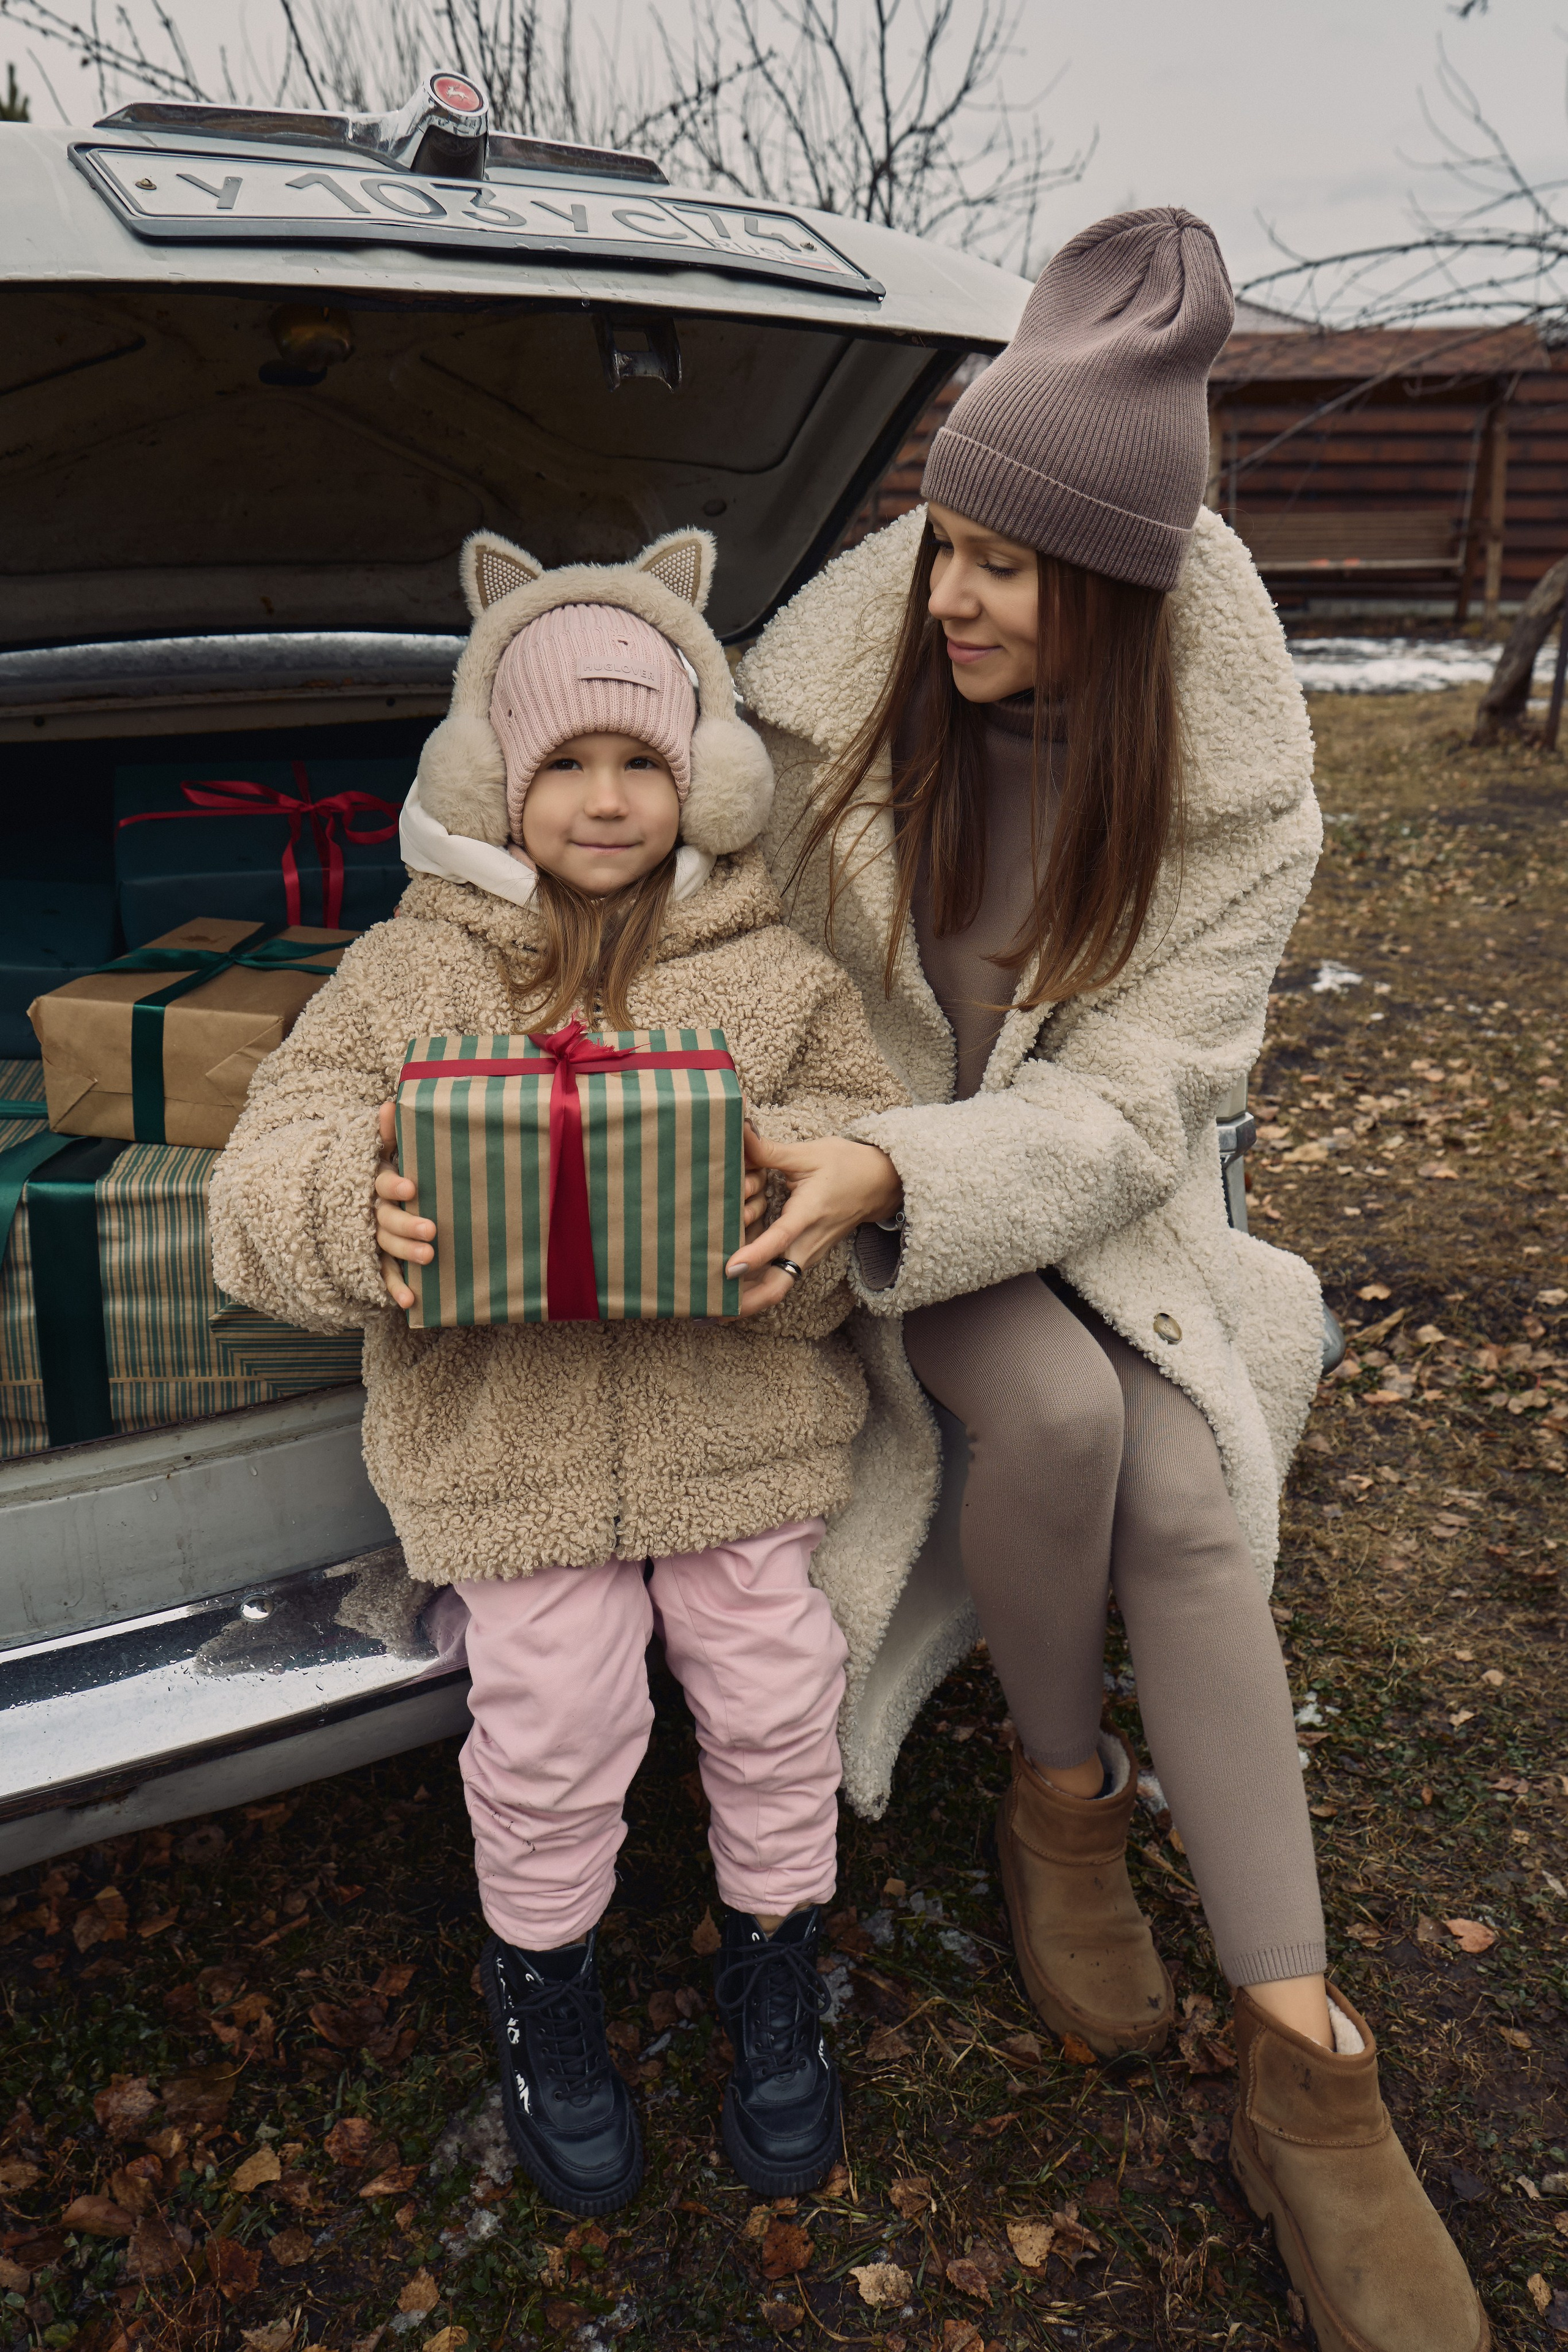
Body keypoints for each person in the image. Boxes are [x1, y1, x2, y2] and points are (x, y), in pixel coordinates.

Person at [729, 211, 1487, 2352]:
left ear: (1122, 585)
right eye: (943, 545)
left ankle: (1308, 2069)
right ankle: (1062, 1806)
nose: (949, 596)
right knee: (1062, 1421)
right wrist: (868, 1152)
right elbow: (715, 926)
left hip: (1077, 1187)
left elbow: (1146, 1097)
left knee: (1187, 1499)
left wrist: (939, 1160)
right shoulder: (836, 707)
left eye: (1005, 564)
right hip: (853, 1173)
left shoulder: (1226, 794)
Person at [209, 529, 907, 2218]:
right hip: (504, 1449)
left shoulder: (780, 974)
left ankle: (774, 1967)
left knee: (774, 1689)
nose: (605, 800)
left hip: (735, 1429)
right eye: (565, 763)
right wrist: (349, 1207)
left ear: (701, 778)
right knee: (554, 1714)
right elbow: (260, 1174)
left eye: (642, 763)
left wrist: (804, 1214)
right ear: (494, 780)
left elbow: (870, 1152)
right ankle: (544, 1985)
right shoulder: (410, 970)